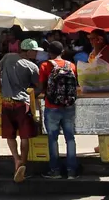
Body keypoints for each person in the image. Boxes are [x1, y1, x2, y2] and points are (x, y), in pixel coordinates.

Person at [0, 38, 41, 184]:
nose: (36, 54)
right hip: (22, 104)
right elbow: (39, 86)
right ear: (29, 51)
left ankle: (16, 159)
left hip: (6, 103)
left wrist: (2, 90)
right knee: (24, 137)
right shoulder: (33, 67)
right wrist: (34, 95)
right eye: (35, 51)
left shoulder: (7, 57)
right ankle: (22, 165)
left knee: (10, 135)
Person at [38, 41, 79, 180]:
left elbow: (41, 87)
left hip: (52, 107)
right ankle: (72, 171)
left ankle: (55, 171)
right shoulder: (71, 65)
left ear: (49, 52)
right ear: (63, 52)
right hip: (69, 106)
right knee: (70, 138)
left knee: (53, 139)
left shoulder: (45, 65)